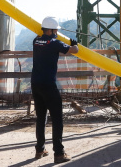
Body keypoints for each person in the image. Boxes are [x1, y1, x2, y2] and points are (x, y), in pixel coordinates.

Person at [32, 16, 79, 164]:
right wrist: (74, 43)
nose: (57, 33)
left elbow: (44, 39)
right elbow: (75, 50)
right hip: (48, 85)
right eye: (56, 30)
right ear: (51, 30)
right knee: (57, 119)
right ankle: (59, 153)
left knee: (41, 117)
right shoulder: (55, 43)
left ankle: (39, 149)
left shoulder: (36, 41)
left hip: (35, 84)